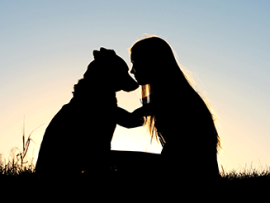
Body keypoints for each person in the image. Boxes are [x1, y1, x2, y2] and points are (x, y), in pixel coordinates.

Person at [116, 36, 221, 182]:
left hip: (190, 173)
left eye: (135, 63)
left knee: (111, 160)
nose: (133, 71)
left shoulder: (172, 95)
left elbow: (130, 119)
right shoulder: (176, 92)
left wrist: (99, 106)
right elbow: (135, 121)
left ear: (151, 62)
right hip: (194, 171)